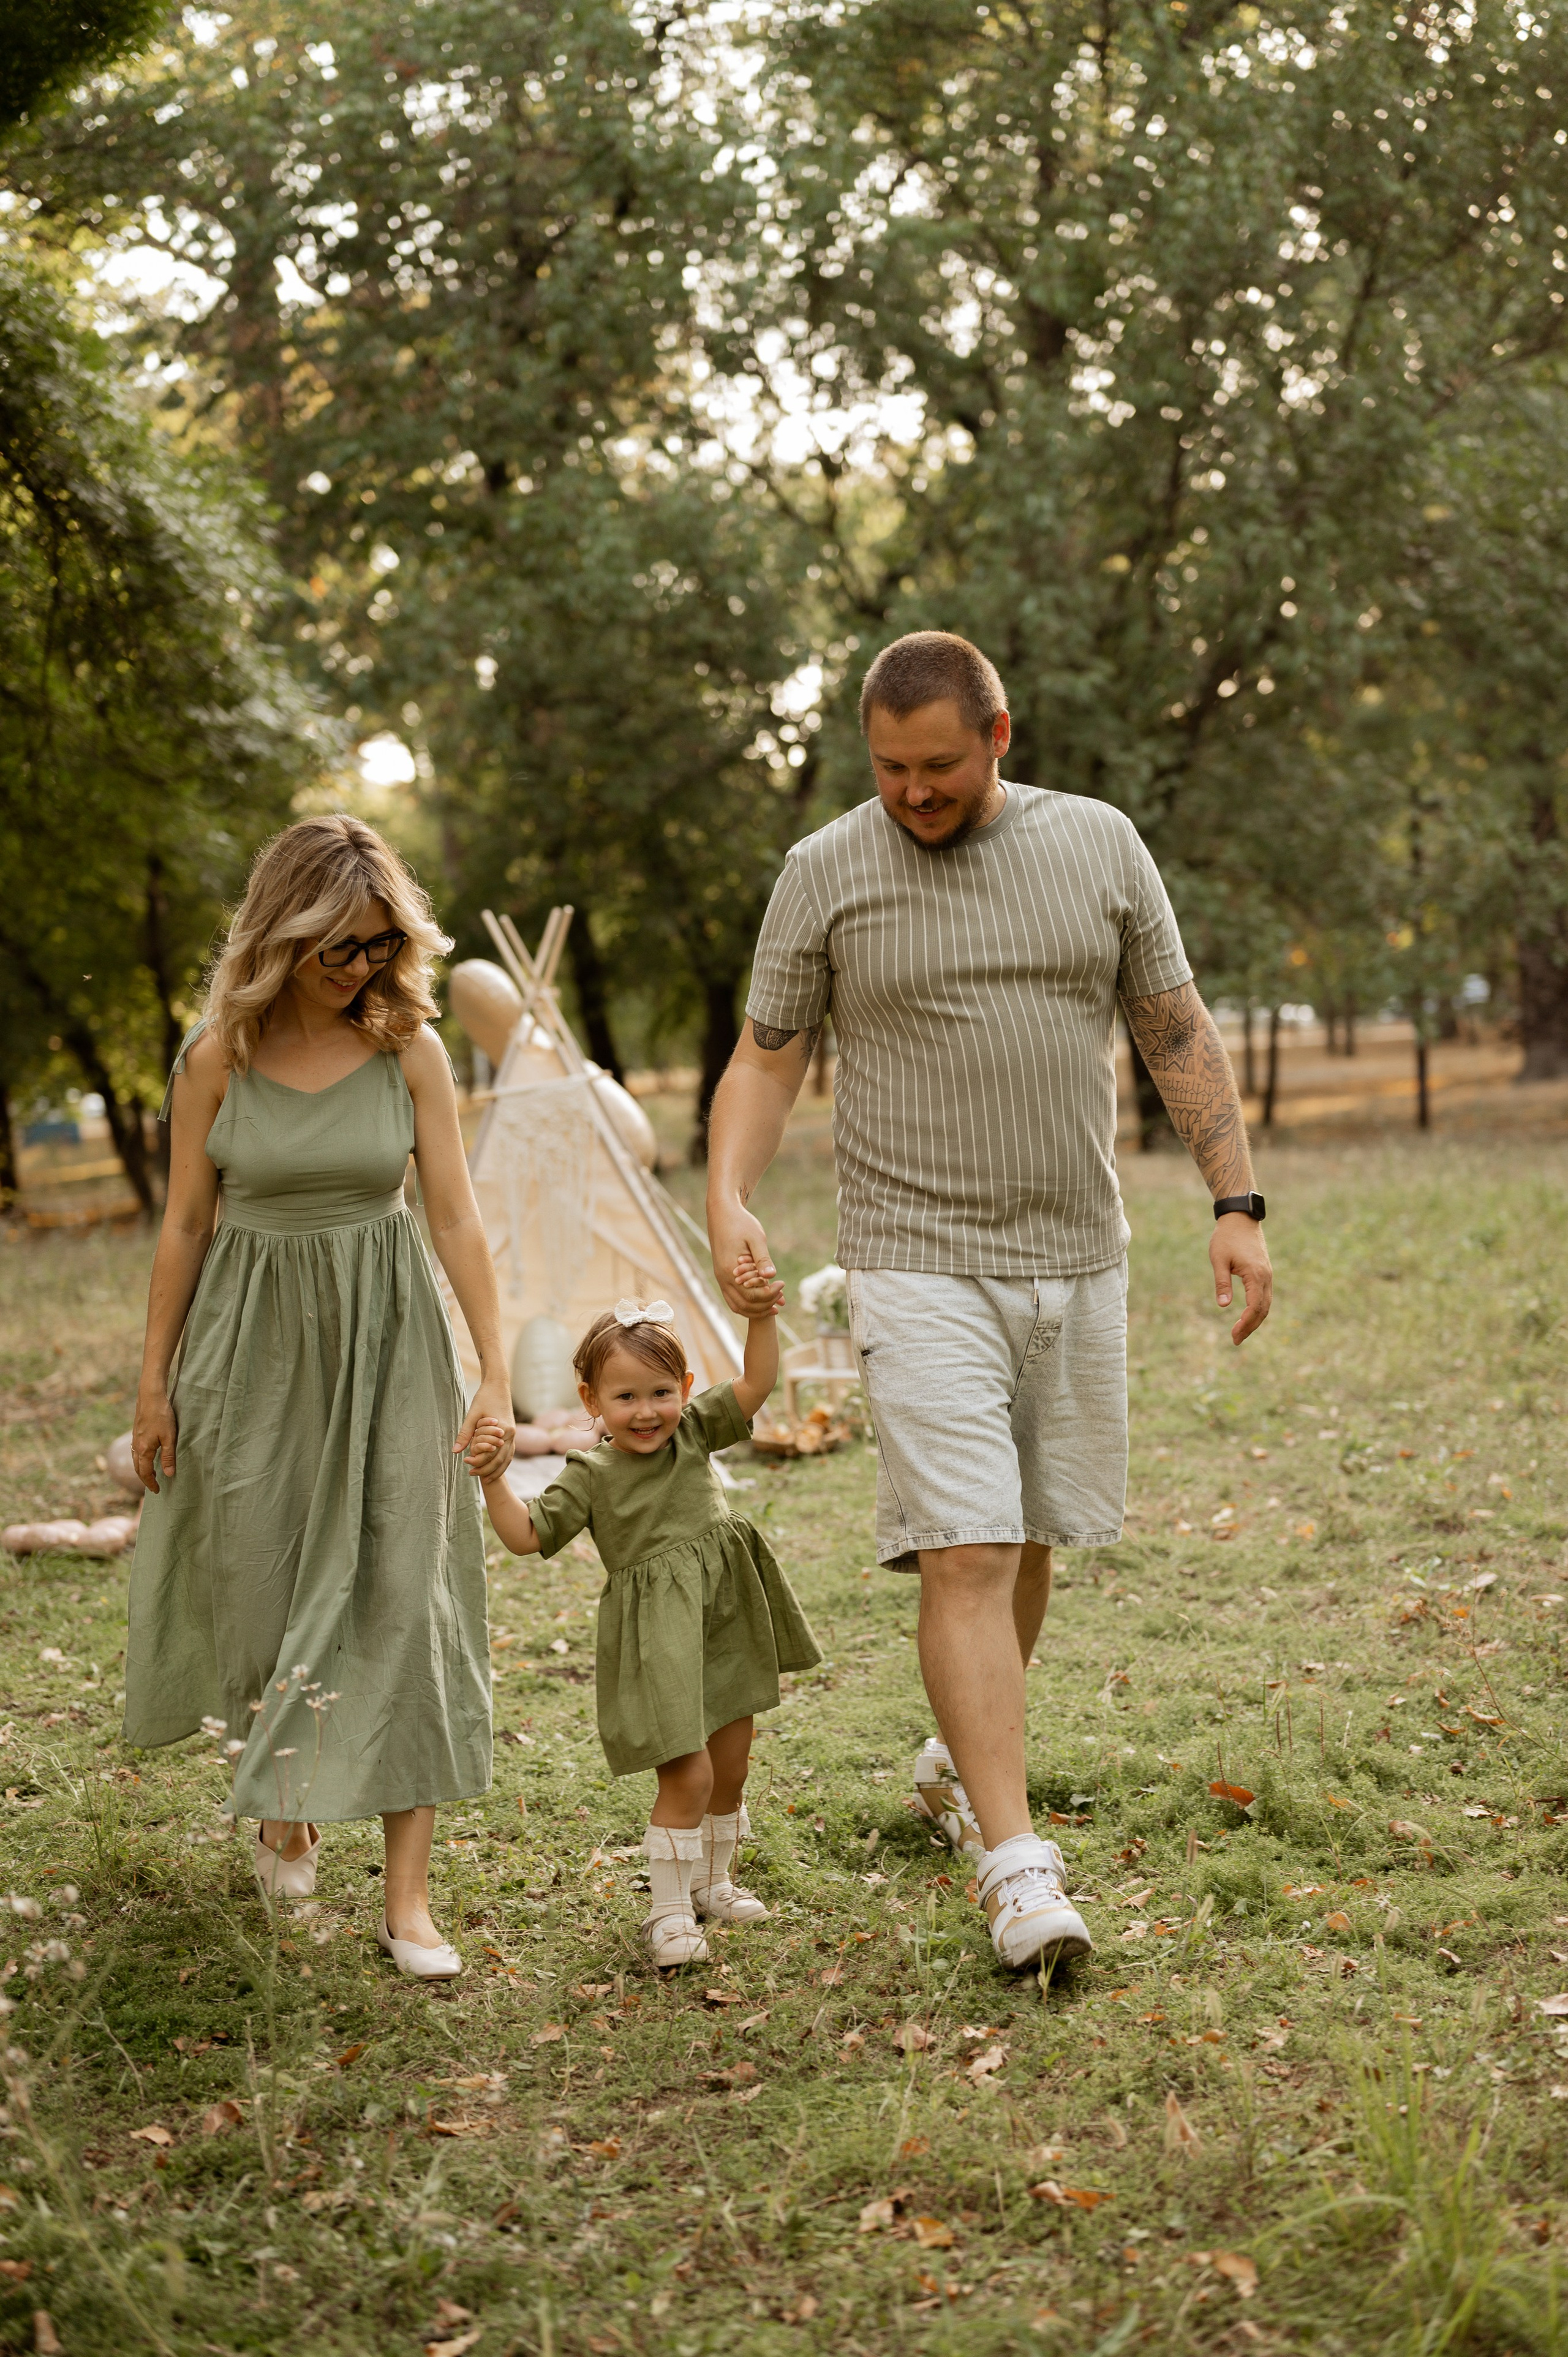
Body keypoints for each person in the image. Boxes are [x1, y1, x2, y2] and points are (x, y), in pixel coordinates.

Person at [706, 632, 1272, 1974]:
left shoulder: (1098, 845)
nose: (913, 790)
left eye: (939, 764)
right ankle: (1015, 1868)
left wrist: (1234, 1204)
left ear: (999, 736)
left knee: (1022, 1543)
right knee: (961, 1546)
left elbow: (1173, 1027)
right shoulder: (824, 871)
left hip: (1074, 1253)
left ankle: (960, 1762)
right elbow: (765, 1057)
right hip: (913, 1255)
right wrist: (730, 1190)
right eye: (890, 766)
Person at [128, 815, 516, 1982]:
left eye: (376, 943)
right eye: (334, 947)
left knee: (406, 1587)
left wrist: (493, 1366)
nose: (357, 967)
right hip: (248, 1347)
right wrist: (153, 1382)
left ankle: (407, 1904)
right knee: (259, 1580)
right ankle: (285, 1803)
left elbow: (452, 1213)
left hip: (389, 1337)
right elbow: (187, 1221)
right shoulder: (217, 1057)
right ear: (282, 935)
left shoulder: (411, 1049)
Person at [470, 1262, 821, 1967]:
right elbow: (526, 1536)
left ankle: (713, 1883)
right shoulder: (590, 1474)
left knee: (731, 1761)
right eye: (624, 1396)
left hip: (724, 1613)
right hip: (660, 1634)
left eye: (661, 1392)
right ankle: (666, 1913)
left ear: (684, 1390)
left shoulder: (693, 1431)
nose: (646, 1411)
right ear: (590, 1400)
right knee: (685, 1774)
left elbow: (756, 1384)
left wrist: (760, 1315)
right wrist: (495, 1477)